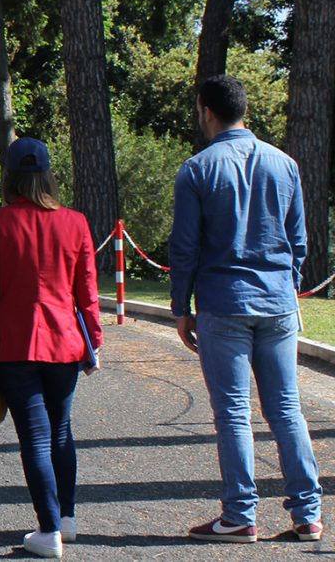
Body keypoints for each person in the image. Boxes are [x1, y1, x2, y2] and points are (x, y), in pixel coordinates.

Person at [170, 75, 322, 544]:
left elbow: (186, 247)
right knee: (287, 410)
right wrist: (285, 284)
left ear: (205, 111)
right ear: (245, 111)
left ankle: (239, 514)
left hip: (224, 301)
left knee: (234, 413)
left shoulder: (196, 169)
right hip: (277, 301)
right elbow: (298, 241)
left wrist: (181, 306)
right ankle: (308, 514)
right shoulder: (286, 164)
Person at [0, 138, 101, 559]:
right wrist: (93, 340)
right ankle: (67, 518)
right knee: (61, 431)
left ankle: (48, 532)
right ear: (48, 174)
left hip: (16, 344)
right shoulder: (76, 222)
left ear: (8, 176)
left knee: (35, 438)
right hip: (65, 341)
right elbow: (87, 293)